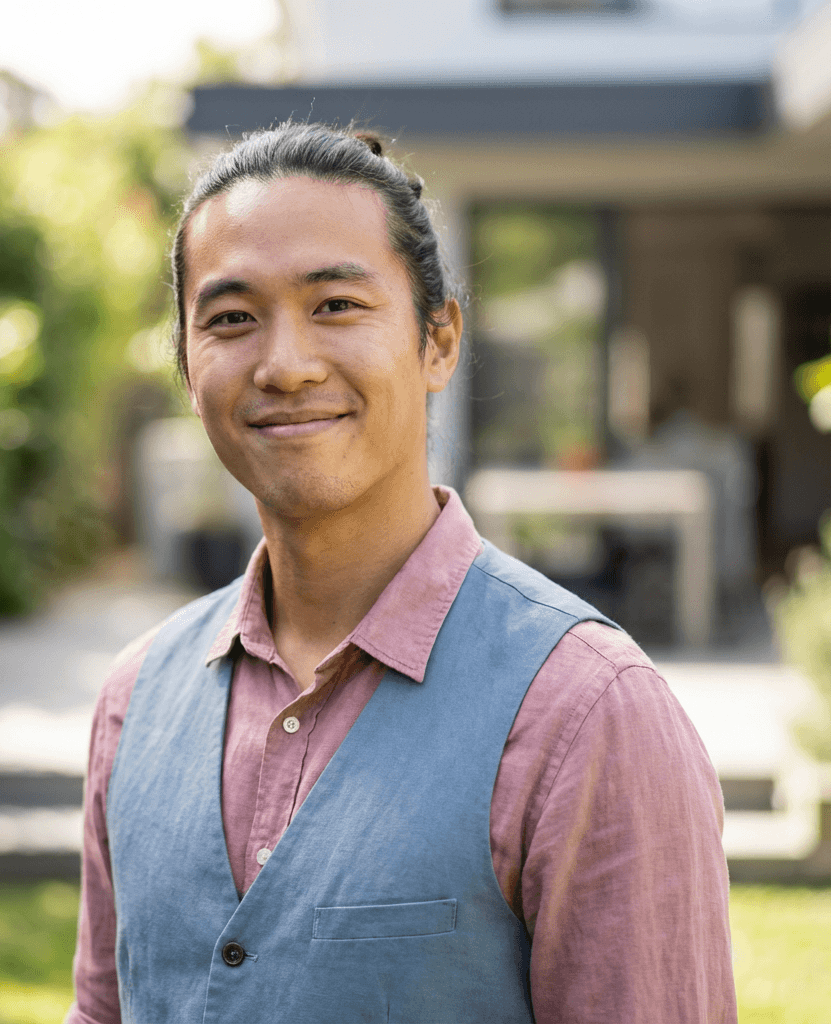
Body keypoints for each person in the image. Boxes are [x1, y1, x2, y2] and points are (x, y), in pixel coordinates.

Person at [67, 122, 736, 1024]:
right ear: (188, 368)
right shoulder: (134, 700)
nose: (286, 364)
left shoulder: (590, 715)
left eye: (337, 305)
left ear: (439, 341)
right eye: (230, 318)